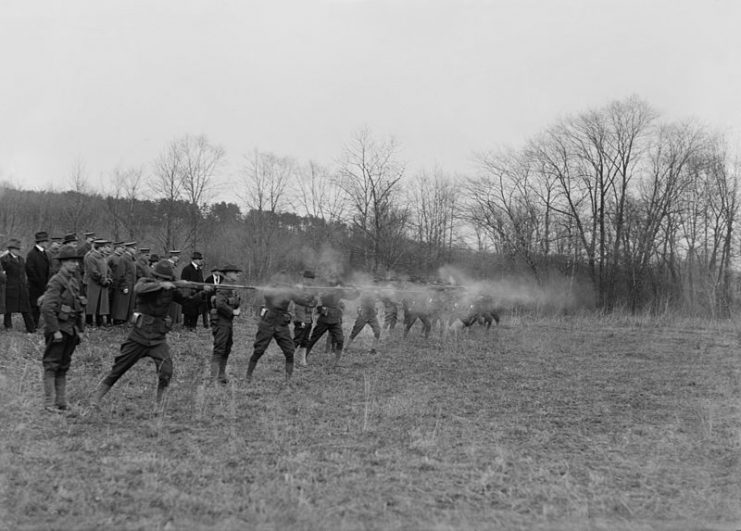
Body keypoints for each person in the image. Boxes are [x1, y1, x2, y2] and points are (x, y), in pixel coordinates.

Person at [90, 260, 211, 410]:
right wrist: (161, 285)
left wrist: (204, 292)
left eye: (167, 280)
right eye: (162, 279)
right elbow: (139, 288)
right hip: (138, 336)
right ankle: (95, 400)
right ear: (156, 277)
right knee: (119, 368)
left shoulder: (171, 290)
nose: (165, 282)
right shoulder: (145, 282)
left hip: (157, 338)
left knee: (166, 370)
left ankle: (159, 405)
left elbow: (188, 302)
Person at [39, 244, 85, 412]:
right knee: (51, 365)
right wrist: (55, 330)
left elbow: (78, 307)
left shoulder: (73, 281)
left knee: (63, 365)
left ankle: (61, 402)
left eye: (76, 261)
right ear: (63, 263)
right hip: (59, 330)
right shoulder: (56, 281)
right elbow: (47, 308)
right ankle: (49, 404)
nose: (76, 264)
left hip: (70, 329)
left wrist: (80, 330)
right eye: (72, 261)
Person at [246, 273, 314, 383]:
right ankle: (248, 376)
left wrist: (309, 295)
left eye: (286, 280)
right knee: (259, 350)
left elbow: (302, 301)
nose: (284, 281)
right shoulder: (270, 289)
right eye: (282, 280)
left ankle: (288, 380)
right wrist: (282, 291)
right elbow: (267, 295)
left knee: (289, 351)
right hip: (268, 322)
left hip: (282, 323)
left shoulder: (289, 290)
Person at [304, 280, 358, 366]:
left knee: (340, 340)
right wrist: (334, 290)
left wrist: (357, 290)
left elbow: (351, 297)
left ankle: (337, 362)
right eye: (337, 285)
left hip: (335, 320)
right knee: (313, 339)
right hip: (324, 319)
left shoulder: (339, 292)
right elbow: (323, 297)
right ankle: (303, 358)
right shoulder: (326, 290)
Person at [209, 264, 242, 384]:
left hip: (227, 322)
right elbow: (219, 303)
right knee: (220, 348)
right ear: (228, 273)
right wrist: (232, 311)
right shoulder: (224, 286)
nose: (237, 274)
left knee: (227, 348)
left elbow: (235, 301)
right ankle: (213, 379)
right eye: (235, 272)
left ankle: (221, 376)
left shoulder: (232, 286)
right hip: (221, 322)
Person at [1, 238, 35, 332]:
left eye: (19, 249)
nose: (18, 251)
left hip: (22, 288)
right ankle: (8, 327)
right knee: (8, 310)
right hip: (10, 288)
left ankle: (31, 329)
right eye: (16, 249)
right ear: (11, 249)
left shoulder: (21, 259)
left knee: (26, 309)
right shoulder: (4, 259)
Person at [26, 231, 52, 329]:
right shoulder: (32, 254)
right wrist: (39, 282)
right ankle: (33, 326)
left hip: (43, 284)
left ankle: (37, 325)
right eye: (45, 241)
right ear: (41, 242)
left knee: (41, 305)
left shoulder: (44, 253)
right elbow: (30, 270)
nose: (47, 243)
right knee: (34, 306)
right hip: (35, 286)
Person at [84, 239, 112, 327]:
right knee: (92, 303)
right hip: (94, 283)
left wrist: (109, 278)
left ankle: (99, 322)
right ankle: (89, 322)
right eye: (103, 247)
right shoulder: (91, 257)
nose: (104, 248)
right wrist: (103, 280)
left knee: (101, 303)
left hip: (102, 283)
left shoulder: (103, 257)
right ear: (99, 248)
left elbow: (107, 269)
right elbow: (93, 272)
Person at [345, 289, 381, 354]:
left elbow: (377, 300)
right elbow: (360, 302)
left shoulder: (375, 292)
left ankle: (373, 350)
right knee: (355, 332)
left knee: (377, 331)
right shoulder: (364, 292)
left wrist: (376, 309)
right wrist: (359, 310)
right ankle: (345, 348)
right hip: (363, 315)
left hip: (372, 316)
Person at [291, 270, 316, 366]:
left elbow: (315, 301)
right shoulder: (298, 287)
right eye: (309, 279)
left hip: (309, 317)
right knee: (298, 338)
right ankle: (289, 357)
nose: (310, 281)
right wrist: (307, 300)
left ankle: (302, 360)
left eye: (312, 280)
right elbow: (295, 298)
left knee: (305, 340)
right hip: (300, 316)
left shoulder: (313, 288)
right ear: (304, 278)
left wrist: (313, 302)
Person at [108, 241, 135, 325]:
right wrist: (124, 286)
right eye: (133, 248)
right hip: (125, 285)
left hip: (130, 284)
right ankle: (118, 320)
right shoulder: (124, 258)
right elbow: (121, 273)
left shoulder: (130, 258)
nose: (135, 250)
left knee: (126, 304)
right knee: (121, 304)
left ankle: (124, 320)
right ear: (129, 249)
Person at [180, 251, 205, 331]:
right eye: (199, 259)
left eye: (200, 259)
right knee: (188, 311)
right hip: (189, 294)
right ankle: (186, 326)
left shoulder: (199, 270)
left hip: (198, 294)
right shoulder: (187, 269)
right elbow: (184, 282)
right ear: (194, 260)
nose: (200, 261)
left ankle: (193, 326)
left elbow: (201, 281)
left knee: (196, 311)